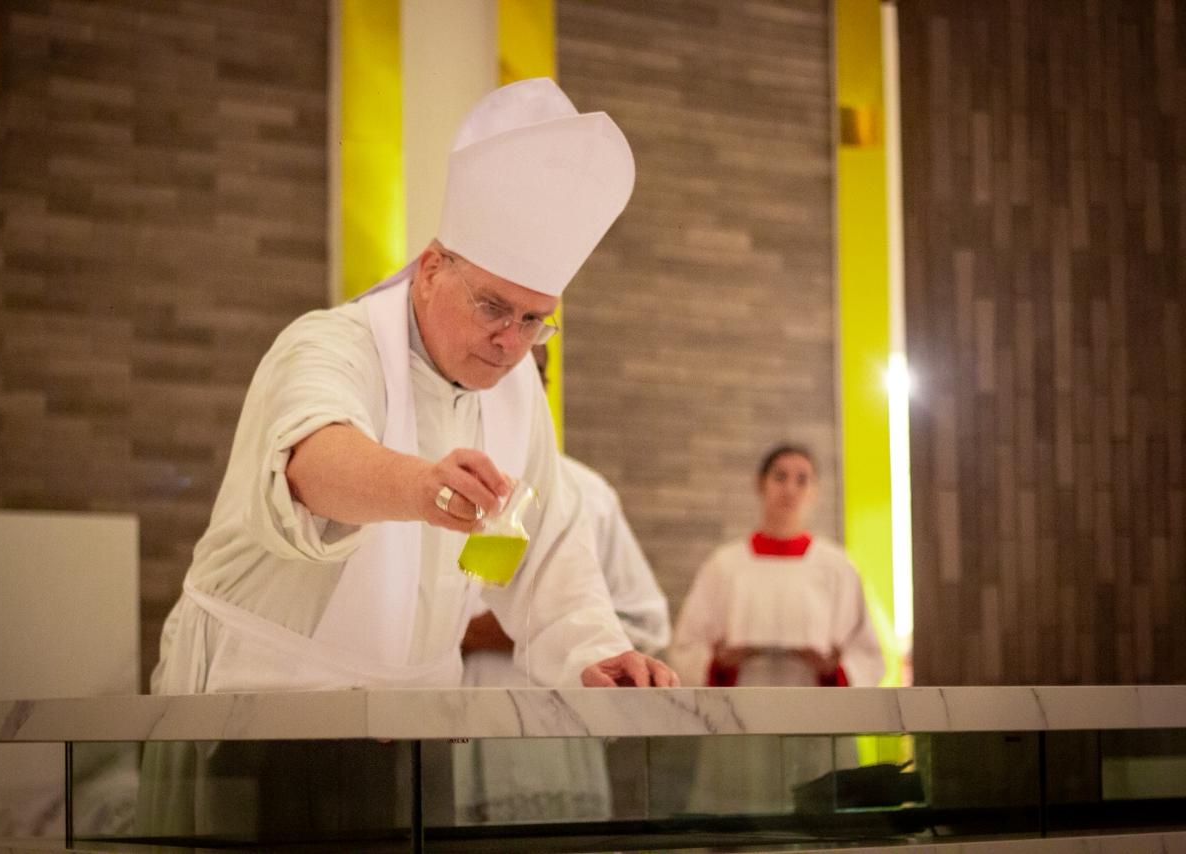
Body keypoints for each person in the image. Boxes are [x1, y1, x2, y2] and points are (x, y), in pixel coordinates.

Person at [137, 78, 675, 839]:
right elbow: (310, 464)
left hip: (417, 729)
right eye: (493, 306)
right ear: (430, 269)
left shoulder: (517, 391)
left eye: (535, 320)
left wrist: (597, 651)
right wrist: (421, 487)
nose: (511, 342)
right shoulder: (332, 342)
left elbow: (543, 547)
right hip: (265, 717)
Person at [453, 345, 671, 823]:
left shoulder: (587, 493)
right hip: (473, 719)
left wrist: (534, 628)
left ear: (543, 387)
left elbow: (645, 620)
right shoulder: (447, 485)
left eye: (530, 371)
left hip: (562, 726)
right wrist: (457, 633)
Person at [668, 444, 884, 813]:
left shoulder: (837, 566)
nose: (790, 489)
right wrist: (721, 664)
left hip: (815, 727)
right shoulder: (725, 565)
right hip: (741, 727)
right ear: (760, 485)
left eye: (802, 480)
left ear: (814, 492)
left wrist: (832, 670)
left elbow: (867, 655)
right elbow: (685, 647)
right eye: (780, 477)